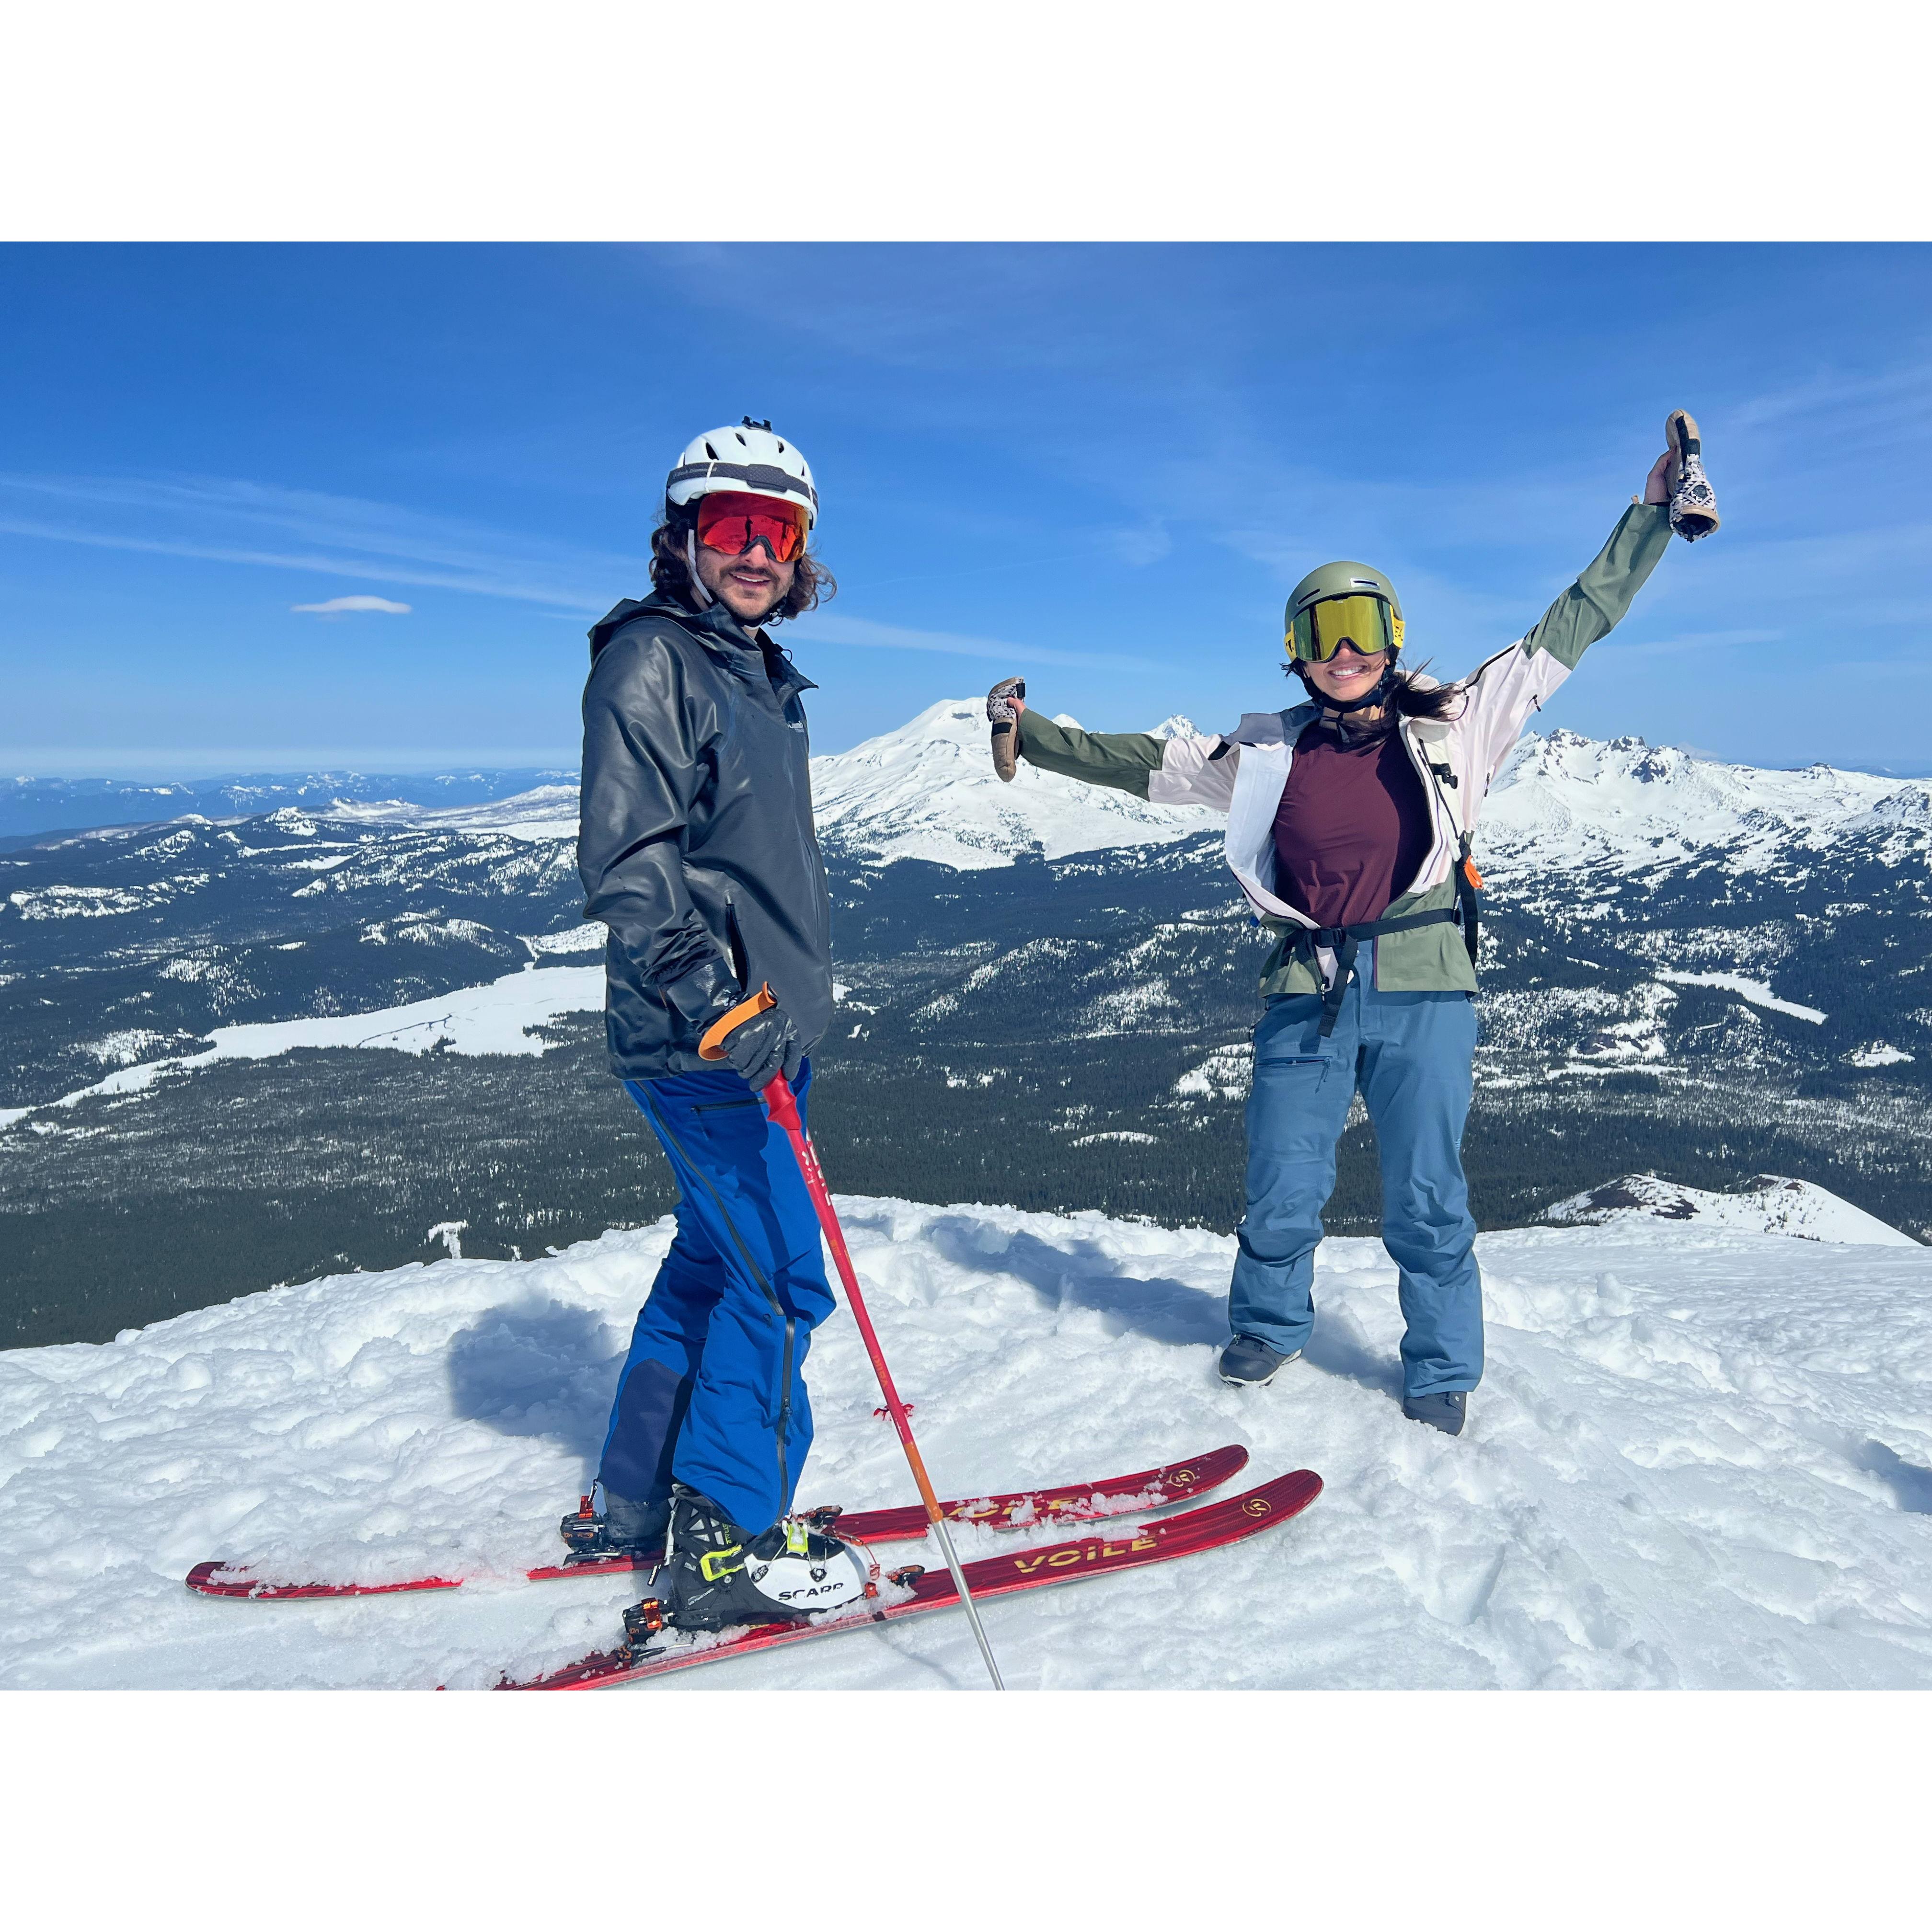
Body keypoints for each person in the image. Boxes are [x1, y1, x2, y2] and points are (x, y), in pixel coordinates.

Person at [988, 432, 1690, 1436]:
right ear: (1297, 651)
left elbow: (1572, 624)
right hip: (1307, 983)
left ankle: (1442, 1364)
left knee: (1426, 1192)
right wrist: (1032, 735)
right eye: (1324, 633)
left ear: (1393, 636)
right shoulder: (1265, 752)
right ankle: (1270, 1326)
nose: (1346, 650)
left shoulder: (1458, 725)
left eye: (1362, 626)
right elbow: (1141, 761)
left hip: (1425, 985)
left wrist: (1652, 515)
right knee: (1281, 1175)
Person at [572, 418, 866, 1632]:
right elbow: (630, 860)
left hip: (747, 1031)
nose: (759, 552)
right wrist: (720, 1004)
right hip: (708, 1036)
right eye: (735, 527)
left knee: (717, 1260)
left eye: (780, 531)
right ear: (684, 536)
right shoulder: (656, 659)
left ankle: (638, 1497)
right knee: (785, 1279)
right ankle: (725, 1539)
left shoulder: (751, 671)